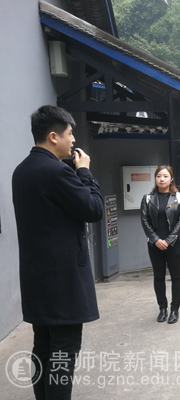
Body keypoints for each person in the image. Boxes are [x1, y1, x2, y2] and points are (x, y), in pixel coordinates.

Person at [12, 105, 103, 399]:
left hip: (36, 277)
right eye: (70, 133)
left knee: (42, 346)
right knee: (63, 350)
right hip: (62, 280)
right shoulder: (57, 172)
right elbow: (94, 209)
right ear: (53, 136)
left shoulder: (21, 171)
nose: (73, 139)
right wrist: (84, 171)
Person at [141, 166, 180, 324]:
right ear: (155, 178)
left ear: (171, 179)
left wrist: (168, 240)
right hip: (155, 245)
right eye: (159, 176)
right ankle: (162, 308)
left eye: (165, 176)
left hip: (174, 244)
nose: (162, 179)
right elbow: (144, 220)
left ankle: (174, 309)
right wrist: (155, 239)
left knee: (176, 276)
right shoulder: (148, 198)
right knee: (158, 276)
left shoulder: (179, 198)